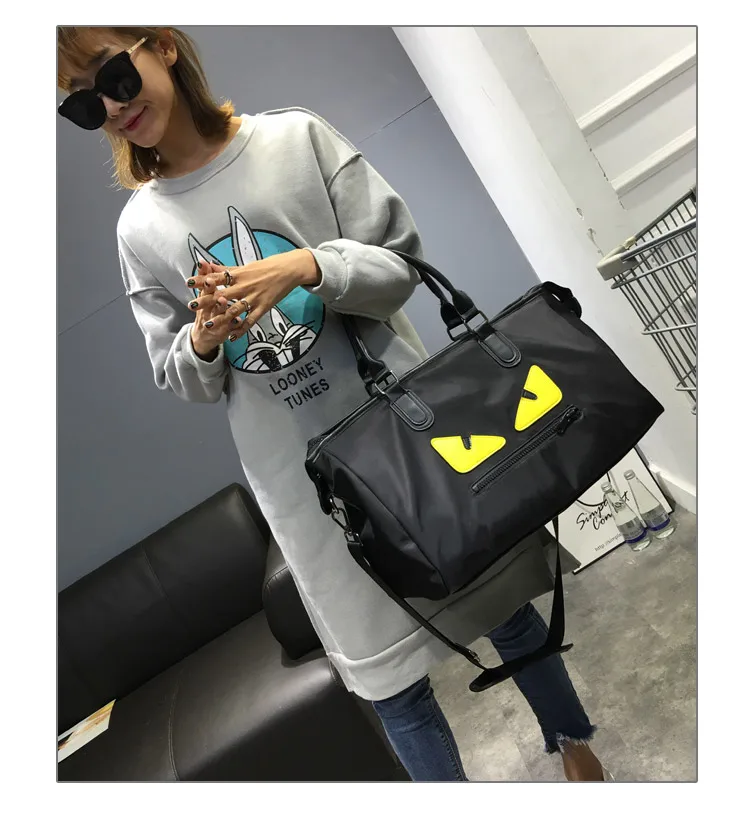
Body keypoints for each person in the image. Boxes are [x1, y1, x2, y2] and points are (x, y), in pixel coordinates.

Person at [57, 26, 610, 782]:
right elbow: (181, 377)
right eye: (83, 105)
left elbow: (401, 267)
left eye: (113, 76)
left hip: (413, 434)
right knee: (394, 690)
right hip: (306, 486)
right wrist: (205, 338)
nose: (112, 108)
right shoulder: (139, 231)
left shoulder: (294, 141)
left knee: (503, 609)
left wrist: (307, 266)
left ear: (163, 48)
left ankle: (578, 752)